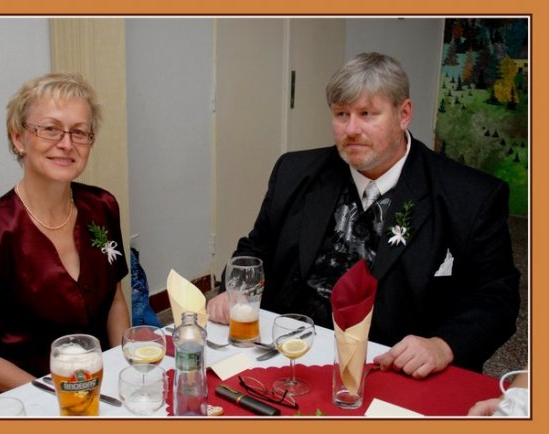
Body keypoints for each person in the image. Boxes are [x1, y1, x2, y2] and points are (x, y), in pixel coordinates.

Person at [208, 52, 520, 379]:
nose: (352, 129)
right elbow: (257, 247)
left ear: (404, 114)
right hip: (289, 355)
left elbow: (496, 298)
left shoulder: (470, 196)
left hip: (394, 367)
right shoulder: (295, 172)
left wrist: (443, 345)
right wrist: (236, 291)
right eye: (341, 114)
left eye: (367, 113)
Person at [0, 73, 130, 402]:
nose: (66, 143)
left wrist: (124, 367)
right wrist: (59, 396)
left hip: (99, 385)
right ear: (18, 138)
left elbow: (115, 299)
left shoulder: (103, 206)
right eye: (50, 129)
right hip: (28, 396)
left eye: (79, 132)